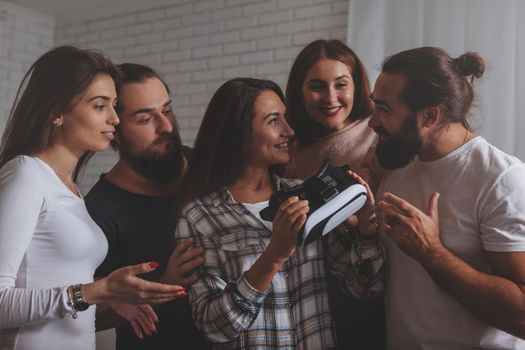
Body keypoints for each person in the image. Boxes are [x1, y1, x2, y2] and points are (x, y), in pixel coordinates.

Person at [173, 77, 384, 349]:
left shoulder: (304, 195)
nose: (289, 130)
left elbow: (364, 288)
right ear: (239, 136)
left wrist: (367, 229)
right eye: (274, 121)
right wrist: (274, 255)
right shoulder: (199, 217)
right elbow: (213, 325)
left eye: (285, 118)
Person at [0, 46, 185, 350]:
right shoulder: (25, 175)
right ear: (57, 111)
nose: (114, 118)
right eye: (100, 106)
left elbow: (60, 289)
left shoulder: (70, 189)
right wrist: (95, 291)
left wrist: (110, 297)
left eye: (114, 105)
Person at [369, 46, 525, 349]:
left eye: (384, 110)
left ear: (429, 116)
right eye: (375, 106)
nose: (372, 121)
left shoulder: (501, 179)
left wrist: (432, 253)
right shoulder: (396, 170)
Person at [85, 63, 208, 349]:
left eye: (167, 110)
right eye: (145, 119)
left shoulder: (208, 168)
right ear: (114, 129)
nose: (166, 127)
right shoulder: (99, 211)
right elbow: (83, 316)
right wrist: (160, 287)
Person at [285, 39, 386, 348]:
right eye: (317, 86)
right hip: (316, 293)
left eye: (341, 85)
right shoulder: (290, 153)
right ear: (299, 92)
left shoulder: (380, 134)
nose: (330, 98)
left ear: (357, 86)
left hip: (379, 283)